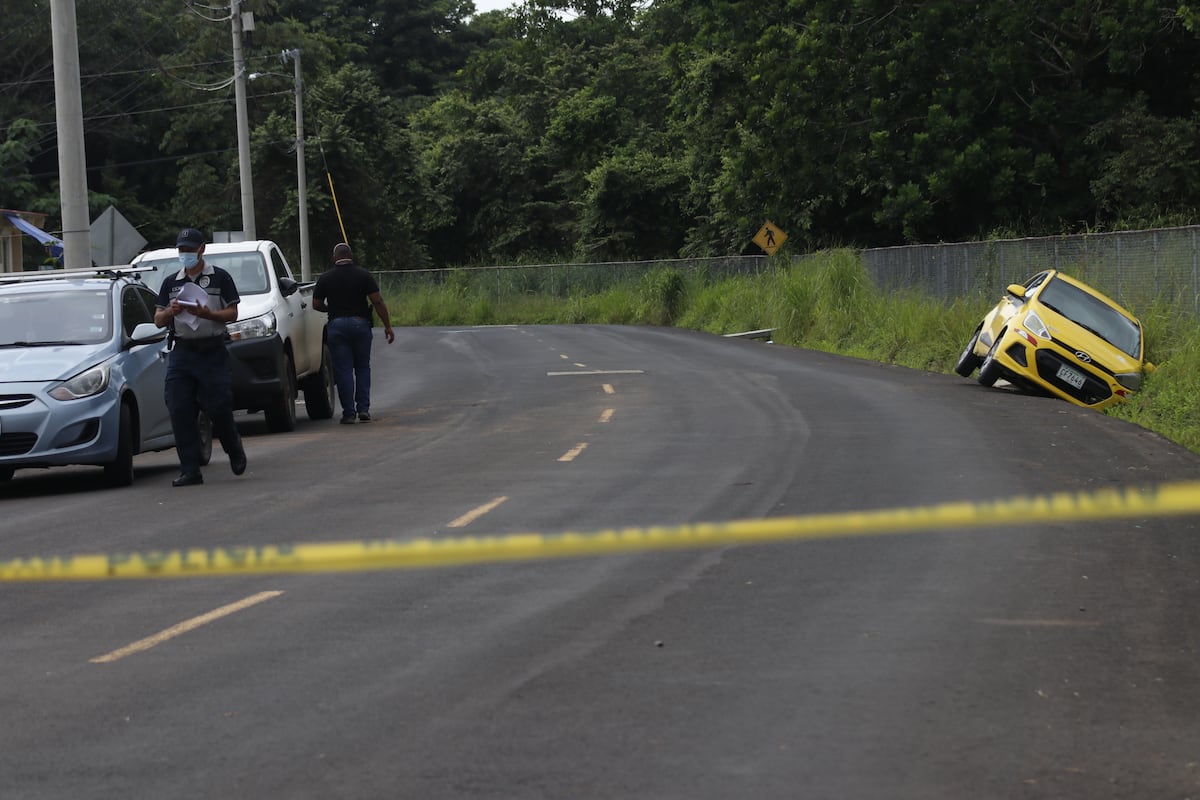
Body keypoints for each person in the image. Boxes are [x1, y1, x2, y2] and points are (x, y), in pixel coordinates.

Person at [153, 227, 247, 486]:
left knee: (218, 406)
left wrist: (210, 315)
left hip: (212, 350)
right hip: (182, 351)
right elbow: (158, 319)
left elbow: (232, 313)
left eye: (190, 250)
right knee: (179, 407)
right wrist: (170, 312)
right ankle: (190, 469)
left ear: (201, 249)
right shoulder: (171, 282)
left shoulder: (220, 277)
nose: (185, 255)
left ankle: (233, 447)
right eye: (181, 250)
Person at [312, 242, 395, 424]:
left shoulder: (325, 278)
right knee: (363, 368)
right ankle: (363, 409)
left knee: (343, 371)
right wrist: (387, 326)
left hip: (337, 326)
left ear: (334, 258)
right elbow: (377, 301)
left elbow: (316, 304)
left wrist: (331, 309)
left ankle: (349, 413)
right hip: (360, 324)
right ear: (351, 256)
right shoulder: (364, 275)